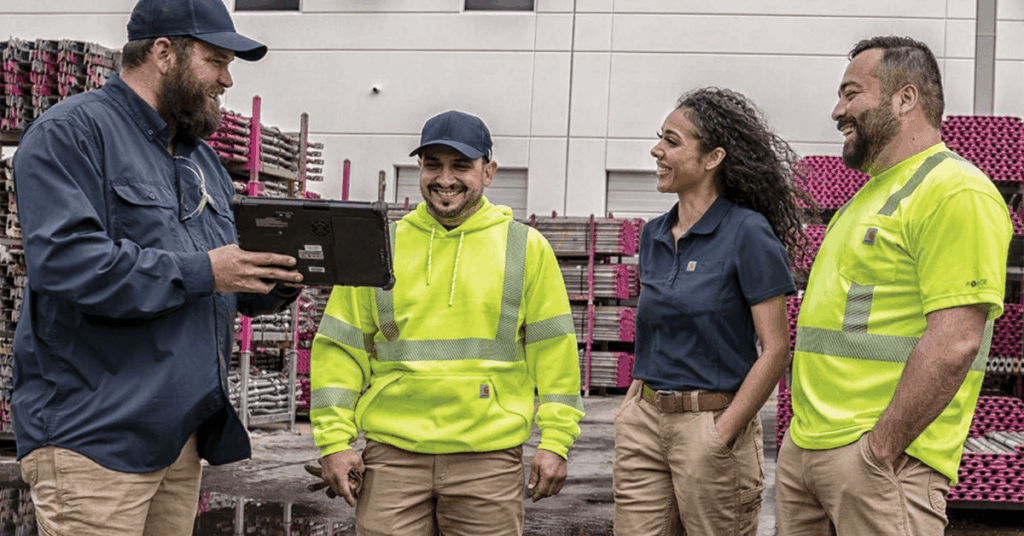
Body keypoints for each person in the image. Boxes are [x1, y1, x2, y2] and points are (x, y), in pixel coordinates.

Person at [11, 0, 304, 534]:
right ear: (164, 52)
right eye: (216, 61)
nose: (227, 79)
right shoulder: (72, 134)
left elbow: (221, 279)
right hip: (96, 440)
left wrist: (278, 281)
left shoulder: (200, 160)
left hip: (178, 441)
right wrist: (204, 272)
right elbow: (68, 264)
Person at [777, 36, 1012, 535]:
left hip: (878, 462)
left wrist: (879, 448)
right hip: (810, 451)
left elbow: (956, 341)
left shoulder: (955, 191)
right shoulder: (864, 199)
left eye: (851, 94)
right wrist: (800, 443)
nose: (837, 110)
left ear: (905, 98)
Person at [310, 110, 584, 536]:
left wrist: (556, 441)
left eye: (461, 165)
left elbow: (555, 352)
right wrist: (333, 442)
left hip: (488, 459)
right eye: (433, 164)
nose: (445, 178)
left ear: (488, 172)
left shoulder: (526, 248)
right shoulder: (382, 247)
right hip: (392, 455)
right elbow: (340, 349)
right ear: (418, 168)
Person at [613, 87, 810, 535]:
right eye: (659, 138)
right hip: (644, 423)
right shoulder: (654, 235)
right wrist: (630, 408)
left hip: (709, 426)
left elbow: (776, 349)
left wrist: (722, 435)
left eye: (672, 141)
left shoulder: (747, 233)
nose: (656, 150)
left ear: (712, 157)